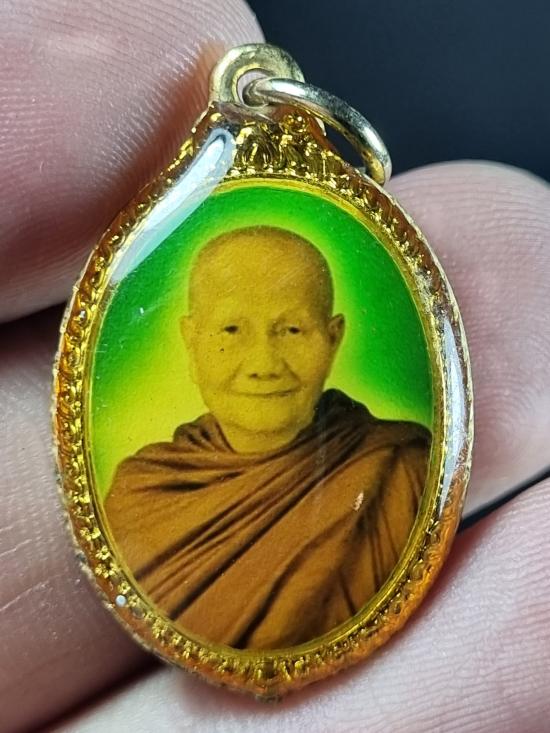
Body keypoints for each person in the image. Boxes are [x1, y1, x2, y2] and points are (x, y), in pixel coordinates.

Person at [104, 225, 430, 649]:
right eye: (231, 330)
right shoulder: (143, 496)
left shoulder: (401, 471)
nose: (263, 365)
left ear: (332, 339)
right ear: (192, 341)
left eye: (292, 330)